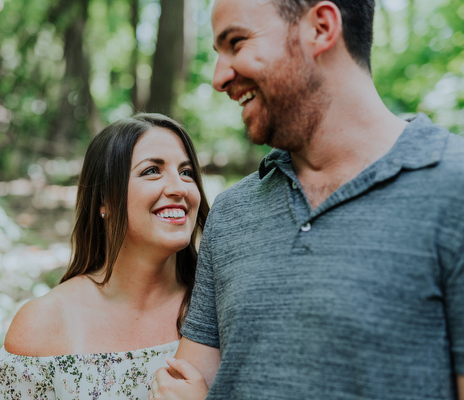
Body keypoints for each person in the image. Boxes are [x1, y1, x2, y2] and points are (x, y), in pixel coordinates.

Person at [150, 0, 464, 399]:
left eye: (237, 42)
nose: (219, 77)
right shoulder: (230, 213)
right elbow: (182, 386)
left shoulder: (454, 187)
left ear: (320, 27)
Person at [0, 113, 209, 399]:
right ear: (105, 200)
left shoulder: (219, 308)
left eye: (187, 172)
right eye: (152, 170)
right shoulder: (43, 327)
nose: (179, 188)